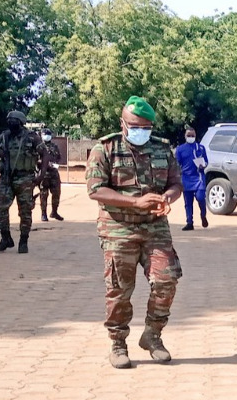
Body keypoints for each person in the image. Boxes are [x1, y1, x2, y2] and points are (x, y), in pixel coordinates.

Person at [85, 96, 183, 369]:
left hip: (155, 227)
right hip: (118, 227)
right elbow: (95, 190)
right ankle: (118, 343)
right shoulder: (105, 149)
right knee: (119, 289)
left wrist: (167, 198)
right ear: (123, 123)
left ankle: (152, 335)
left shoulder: (163, 149)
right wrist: (134, 202)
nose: (141, 131)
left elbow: (176, 183)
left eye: (146, 127)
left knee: (167, 280)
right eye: (135, 126)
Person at [0, 111, 49, 254]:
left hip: (25, 178)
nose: (11, 122)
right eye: (9, 120)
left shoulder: (32, 137)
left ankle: (23, 240)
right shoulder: (4, 136)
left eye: (14, 120)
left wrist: (41, 175)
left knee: (25, 211)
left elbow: (45, 154)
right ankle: (6, 238)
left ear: (21, 122)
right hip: (6, 177)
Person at [175, 127, 208, 231]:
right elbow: (177, 164)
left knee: (200, 198)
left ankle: (203, 215)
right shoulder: (180, 149)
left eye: (192, 135)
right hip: (186, 178)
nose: (191, 137)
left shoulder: (201, 148)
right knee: (188, 203)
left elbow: (206, 161)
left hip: (199, 178)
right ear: (185, 136)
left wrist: (204, 165)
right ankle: (189, 222)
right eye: (189, 135)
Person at [39, 128, 64, 221]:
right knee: (43, 194)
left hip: (54, 173)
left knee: (56, 193)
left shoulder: (54, 146)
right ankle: (43, 214)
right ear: (41, 135)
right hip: (43, 174)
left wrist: (54, 163)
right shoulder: (39, 147)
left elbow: (58, 157)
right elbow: (34, 159)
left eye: (48, 134)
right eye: (45, 134)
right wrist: (44, 163)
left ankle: (54, 212)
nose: (47, 136)